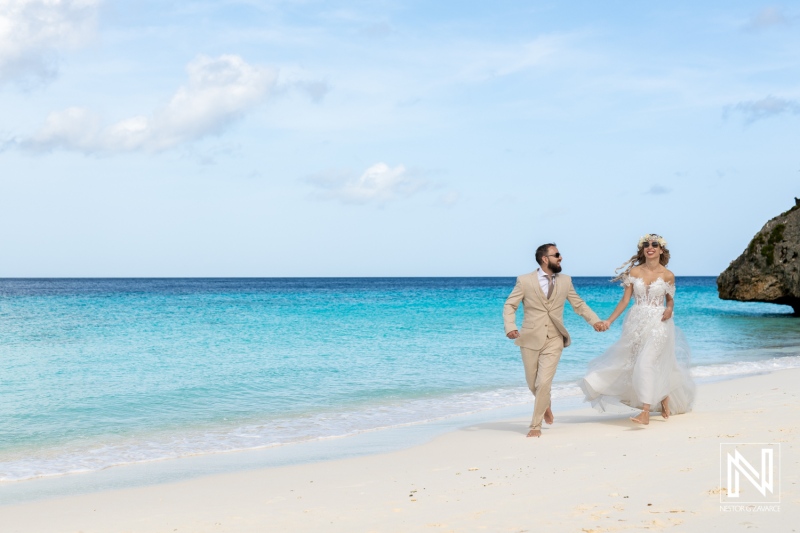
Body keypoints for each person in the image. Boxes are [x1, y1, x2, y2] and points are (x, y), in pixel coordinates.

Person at [579, 234, 696, 425]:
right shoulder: (634, 273)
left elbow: (670, 300)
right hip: (636, 322)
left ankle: (646, 411)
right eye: (646, 245)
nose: (650, 247)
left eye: (654, 244)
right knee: (636, 363)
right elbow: (625, 300)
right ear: (643, 250)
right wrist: (609, 321)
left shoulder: (668, 275)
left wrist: (669, 309)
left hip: (659, 322)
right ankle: (664, 396)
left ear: (661, 250)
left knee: (646, 363)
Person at [504, 243, 607, 438]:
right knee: (532, 384)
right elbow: (510, 305)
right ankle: (545, 404)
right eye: (557, 255)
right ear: (545, 259)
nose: (561, 258)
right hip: (530, 338)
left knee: (544, 382)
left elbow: (579, 305)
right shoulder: (524, 281)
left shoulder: (566, 281)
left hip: (555, 338)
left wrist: (595, 321)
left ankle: (535, 425)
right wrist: (511, 327)